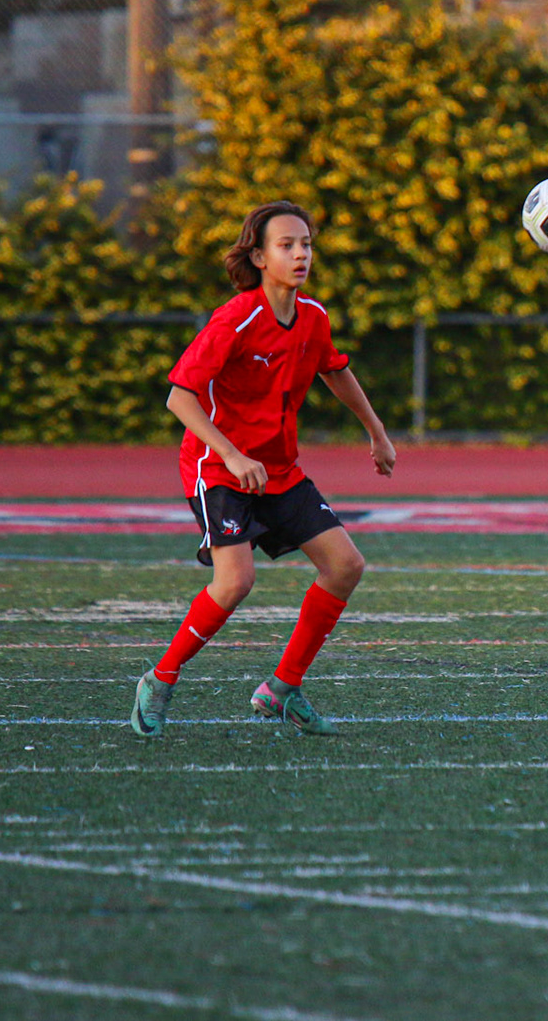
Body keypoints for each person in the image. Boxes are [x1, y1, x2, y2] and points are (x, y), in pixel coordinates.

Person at [130, 201, 397, 739]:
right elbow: (179, 398)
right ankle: (159, 679)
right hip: (218, 467)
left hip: (278, 468)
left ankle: (282, 688)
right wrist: (231, 453)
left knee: (345, 566)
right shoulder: (236, 318)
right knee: (235, 582)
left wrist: (376, 431)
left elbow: (335, 371)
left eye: (307, 244)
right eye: (286, 245)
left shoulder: (313, 317)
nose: (301, 255)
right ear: (258, 257)